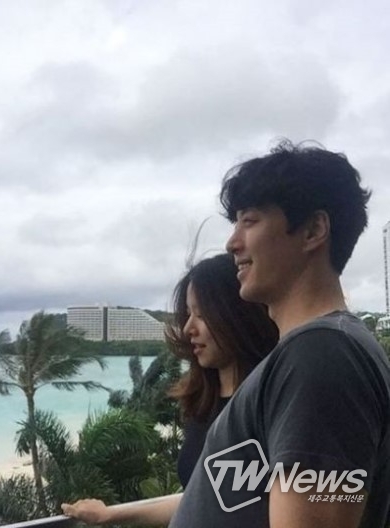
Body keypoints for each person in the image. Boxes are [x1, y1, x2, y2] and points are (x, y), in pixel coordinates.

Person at [169, 141, 390, 528]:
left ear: (313, 230)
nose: (232, 242)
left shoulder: (322, 355)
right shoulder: (312, 352)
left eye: (250, 221)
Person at [62, 253, 279, 525]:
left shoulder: (272, 403)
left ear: (238, 315)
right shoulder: (203, 404)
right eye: (188, 314)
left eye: (202, 314)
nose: (188, 328)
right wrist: (111, 514)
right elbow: (200, 498)